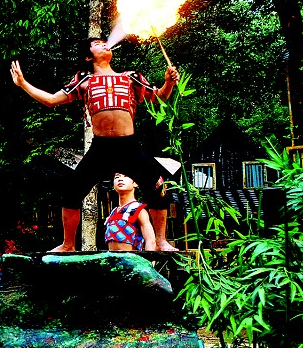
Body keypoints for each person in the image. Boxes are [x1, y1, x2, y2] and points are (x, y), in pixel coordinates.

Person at [10, 37, 179, 252]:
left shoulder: (131, 78)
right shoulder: (84, 80)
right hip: (101, 148)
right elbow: (51, 100)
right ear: (88, 56)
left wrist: (169, 82)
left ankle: (162, 242)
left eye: (104, 42)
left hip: (129, 145)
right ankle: (68, 244)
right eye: (97, 44)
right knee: (71, 191)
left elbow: (159, 98)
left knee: (158, 185)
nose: (105, 44)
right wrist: (23, 83)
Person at [105, 173, 156, 252]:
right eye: (117, 177)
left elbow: (150, 240)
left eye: (126, 176)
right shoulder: (113, 212)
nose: (120, 179)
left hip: (131, 260)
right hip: (112, 260)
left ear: (135, 183)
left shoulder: (138, 210)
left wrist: (150, 262)